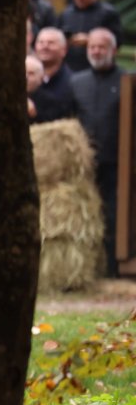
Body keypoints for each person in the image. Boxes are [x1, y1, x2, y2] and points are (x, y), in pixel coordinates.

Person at [71, 28, 126, 276]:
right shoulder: (77, 82)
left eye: (101, 47)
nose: (95, 51)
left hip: (118, 164)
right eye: (91, 46)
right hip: (85, 164)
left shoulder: (127, 80)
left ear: (113, 50)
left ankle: (113, 269)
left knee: (114, 215)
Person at [58, 0, 124, 72]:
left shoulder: (108, 13)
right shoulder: (66, 13)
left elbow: (117, 42)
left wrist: (91, 40)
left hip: (98, 70)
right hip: (69, 68)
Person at [30, 27, 76, 123]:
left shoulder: (72, 82)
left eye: (51, 43)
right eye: (41, 42)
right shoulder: (26, 76)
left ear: (64, 50)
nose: (45, 46)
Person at [25, 55, 45, 119]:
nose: (26, 77)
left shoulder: (49, 102)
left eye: (31, 73)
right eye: (23, 72)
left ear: (41, 78)